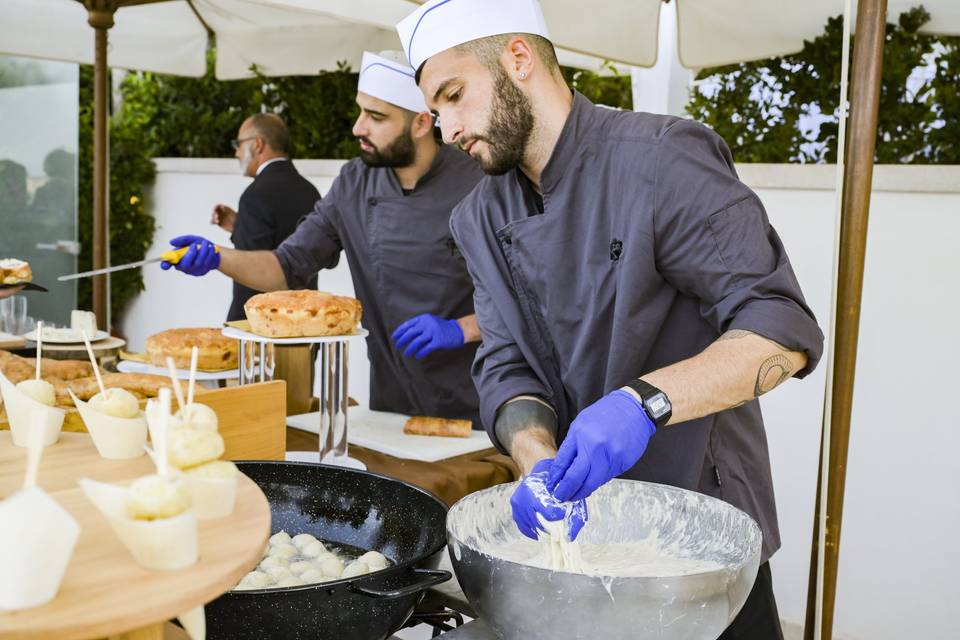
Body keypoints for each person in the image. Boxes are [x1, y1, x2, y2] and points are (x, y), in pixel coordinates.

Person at [398, 1, 825, 637]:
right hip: (576, 542)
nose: (446, 127)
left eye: (455, 95)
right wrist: (535, 456)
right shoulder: (478, 218)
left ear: (519, 58)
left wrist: (642, 405)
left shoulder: (663, 160)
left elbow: (780, 328)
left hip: (698, 521)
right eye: (436, 111)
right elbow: (505, 362)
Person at [163, 51, 486, 426]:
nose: (358, 127)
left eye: (376, 117)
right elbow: (286, 268)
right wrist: (219, 257)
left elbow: (533, 297)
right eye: (361, 111)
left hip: (476, 402)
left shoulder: (481, 183)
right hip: (390, 404)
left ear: (420, 123)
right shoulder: (353, 183)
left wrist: (460, 329)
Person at [210, 113, 320, 321]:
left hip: (264, 328)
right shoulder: (309, 190)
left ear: (258, 144)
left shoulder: (255, 195)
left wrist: (237, 326)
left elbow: (251, 272)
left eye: (239, 143)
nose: (236, 152)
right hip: (306, 323)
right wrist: (239, 227)